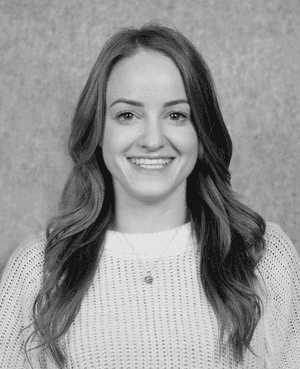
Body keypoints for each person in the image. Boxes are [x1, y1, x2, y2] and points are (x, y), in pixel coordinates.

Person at [0, 21, 299, 369]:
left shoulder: (262, 258)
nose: (153, 140)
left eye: (176, 115)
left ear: (201, 133)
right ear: (98, 131)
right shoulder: (37, 270)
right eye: (127, 115)